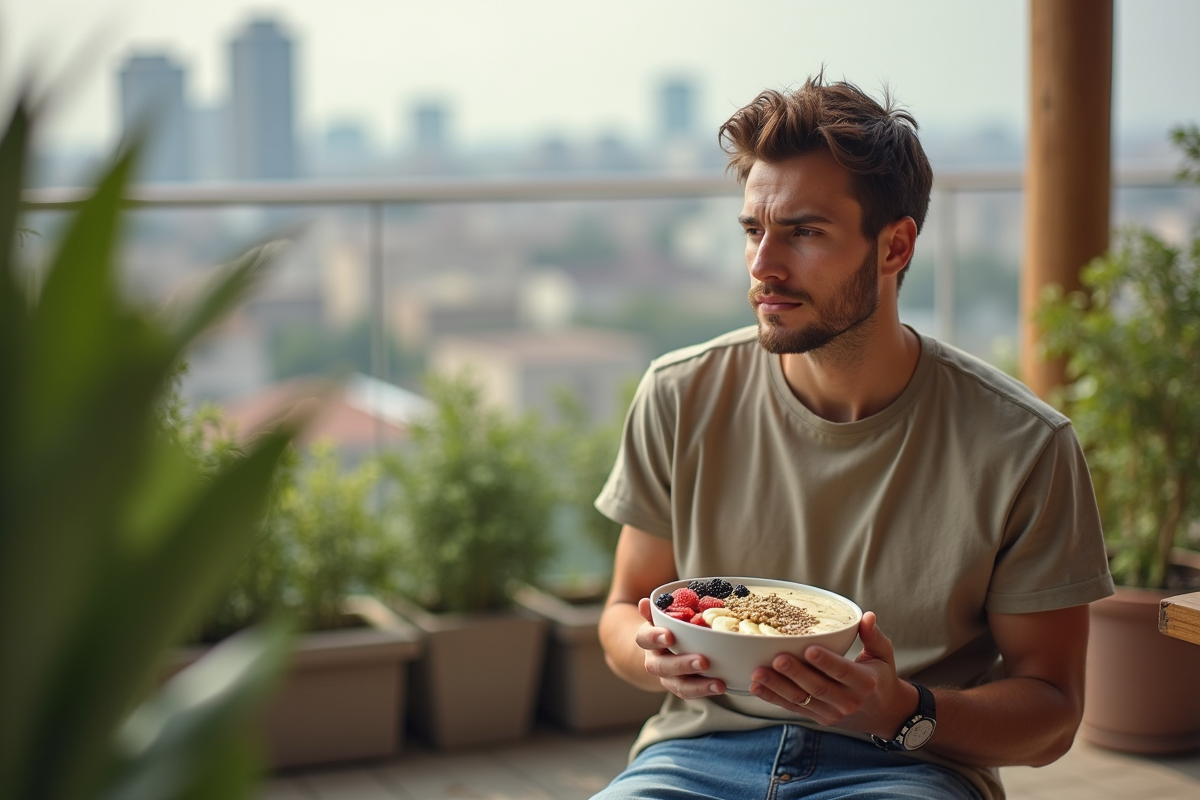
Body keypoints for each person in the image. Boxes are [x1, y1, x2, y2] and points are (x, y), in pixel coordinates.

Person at [591, 74, 1114, 800]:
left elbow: (1053, 715)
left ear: (895, 246)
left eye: (804, 232)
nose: (762, 265)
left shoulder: (1023, 445)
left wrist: (902, 710)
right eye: (753, 229)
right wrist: (654, 657)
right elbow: (624, 610)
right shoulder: (680, 394)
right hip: (696, 759)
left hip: (905, 767)